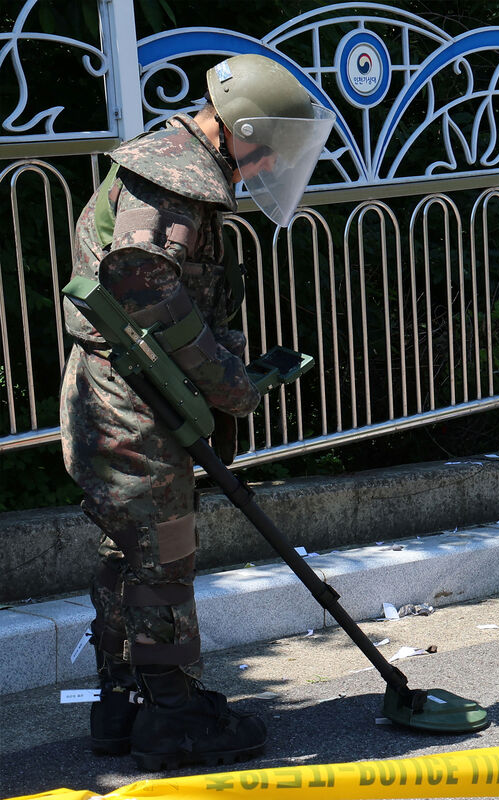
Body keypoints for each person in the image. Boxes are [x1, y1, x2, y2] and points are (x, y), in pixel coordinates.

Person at [59, 53, 333, 770]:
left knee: (130, 554)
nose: (268, 160)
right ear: (237, 127)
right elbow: (142, 285)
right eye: (266, 143)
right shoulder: (173, 180)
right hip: (132, 401)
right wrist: (230, 385)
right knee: (162, 557)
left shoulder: (175, 167)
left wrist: (224, 373)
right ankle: (173, 717)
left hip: (124, 392)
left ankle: (122, 706)